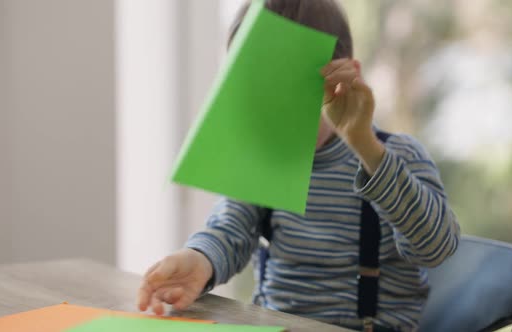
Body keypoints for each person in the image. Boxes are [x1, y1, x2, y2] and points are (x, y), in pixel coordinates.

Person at [137, 1, 460, 331]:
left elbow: (436, 247)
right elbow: (230, 230)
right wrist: (198, 260)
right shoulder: (267, 158)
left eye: (280, 79)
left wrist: (366, 146)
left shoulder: (396, 156)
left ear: (342, 78)